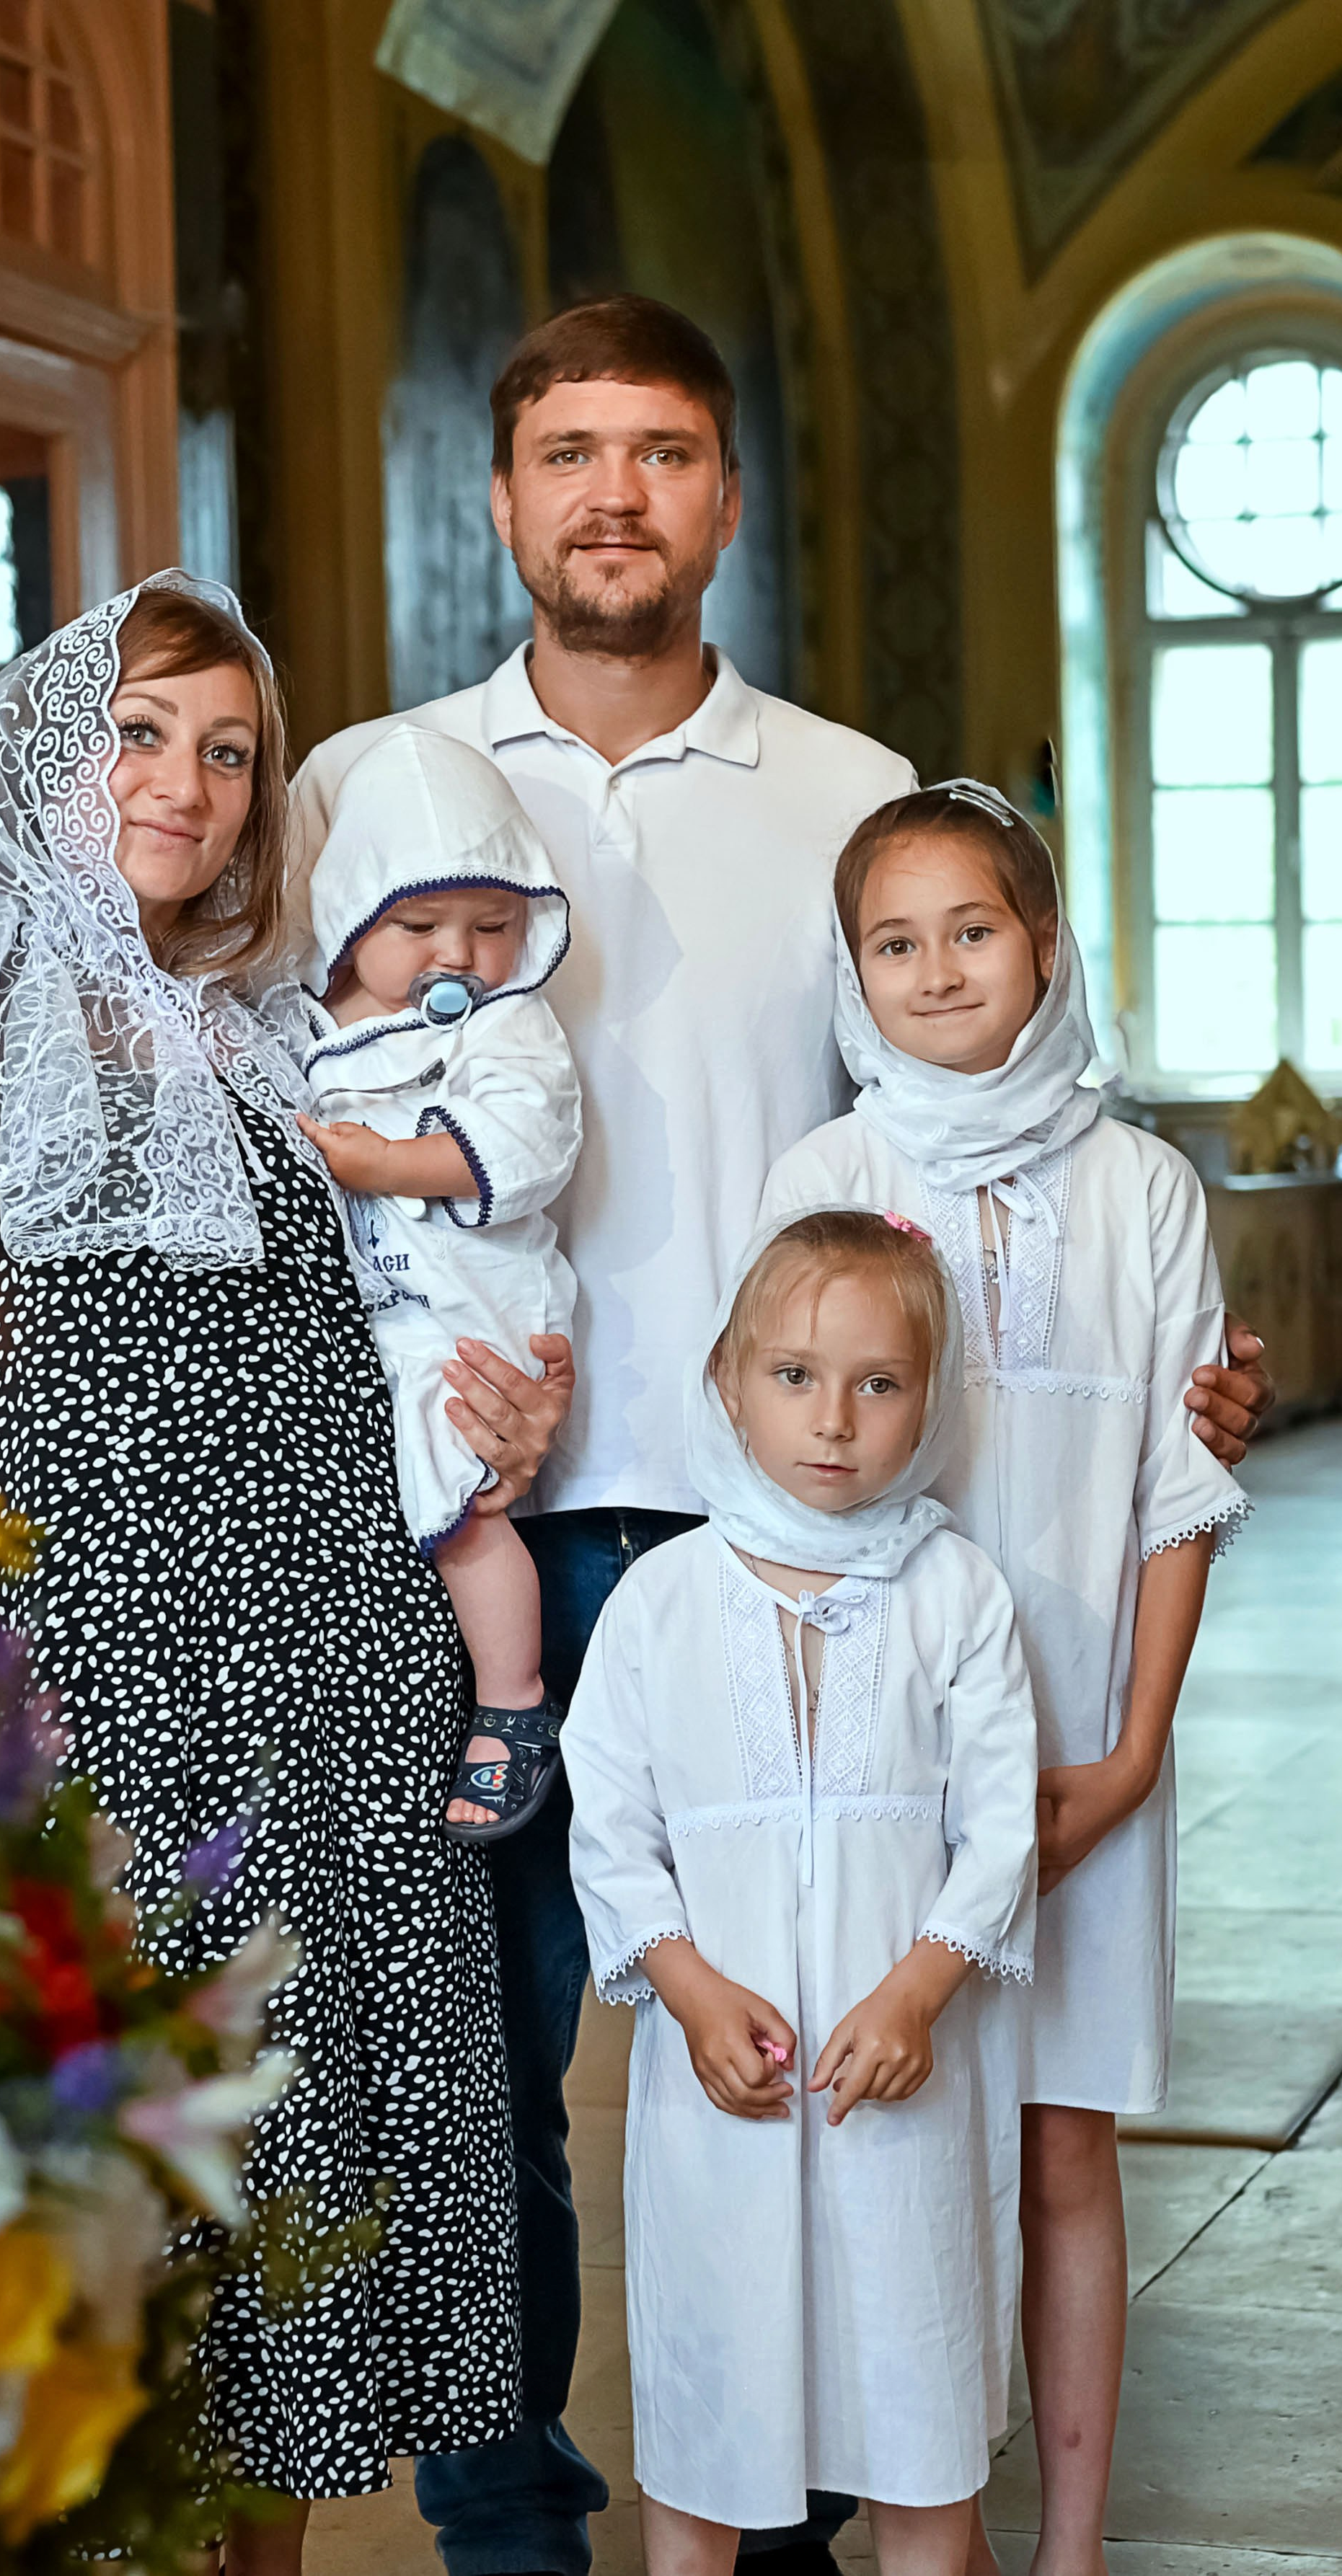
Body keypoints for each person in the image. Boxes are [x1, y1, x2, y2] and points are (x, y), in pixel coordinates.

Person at [288, 295, 1273, 2576]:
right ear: (502, 491)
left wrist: (1171, 1373)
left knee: (832, 2062)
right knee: (481, 2073)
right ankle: (516, 2522)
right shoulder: (375, 780)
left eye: (658, 452)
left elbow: (964, 1159)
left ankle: (809, 2507)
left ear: (724, 497)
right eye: (565, 452)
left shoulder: (847, 787)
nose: (610, 493)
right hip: (483, 1525)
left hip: (810, 1527)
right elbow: (295, 1122)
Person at [0, 572, 522, 2575]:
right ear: (44, 742)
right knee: (114, 2251)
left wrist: (479, 1398)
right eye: (141, 730)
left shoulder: (243, 1031)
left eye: (229, 750)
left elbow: (336, 1335)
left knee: (291, 2261)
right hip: (92, 1682)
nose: (188, 782)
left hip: (332, 1665)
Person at [758, 782, 1250, 2575]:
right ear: (851, 972)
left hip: (1083, 1747)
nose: (939, 967)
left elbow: (1178, 1492)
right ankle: (924, 2523)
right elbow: (775, 1472)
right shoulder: (832, 1179)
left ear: (1045, 943)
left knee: (1060, 2148)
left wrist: (1124, 1759)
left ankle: (1074, 2543)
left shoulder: (1140, 1187)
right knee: (897, 2155)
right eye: (896, 941)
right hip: (893, 1759)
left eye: (975, 928)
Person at [564, 1208, 1039, 2576]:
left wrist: (919, 1987)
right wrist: (687, 1983)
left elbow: (999, 1828)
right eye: (793, 1376)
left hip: (907, 2085)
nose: (832, 1419)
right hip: (721, 2088)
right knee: (709, 2425)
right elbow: (612, 1826)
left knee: (920, 2419)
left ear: (928, 1401)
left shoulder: (955, 1592)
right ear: (727, 1379)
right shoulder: (659, 1600)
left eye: (877, 1383)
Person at [293, 726, 582, 1841]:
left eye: (492, 926)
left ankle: (512, 1702)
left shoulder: (513, 1031)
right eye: (417, 927)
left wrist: (376, 1161)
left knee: (463, 1517)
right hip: (387, 1313)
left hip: (473, 1318)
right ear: (351, 921)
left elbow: (517, 1147)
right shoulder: (323, 1034)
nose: (456, 954)